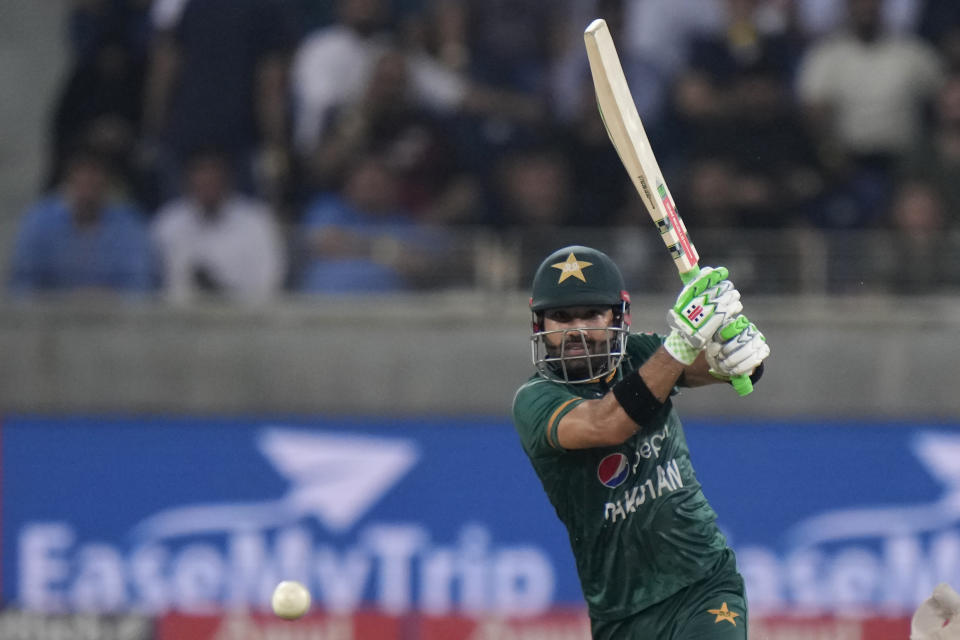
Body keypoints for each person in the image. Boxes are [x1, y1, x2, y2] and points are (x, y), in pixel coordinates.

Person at [511, 245, 770, 639]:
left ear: (618, 316)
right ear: (539, 323)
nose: (577, 330)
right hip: (621, 615)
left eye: (591, 315)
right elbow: (608, 424)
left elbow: (727, 370)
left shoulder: (640, 354)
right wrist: (683, 341)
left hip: (703, 583)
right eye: (561, 317)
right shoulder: (536, 400)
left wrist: (737, 347)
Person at [151, 147, 286, 304]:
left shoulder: (257, 221)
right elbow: (155, 287)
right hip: (177, 321)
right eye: (201, 180)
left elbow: (269, 286)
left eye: (213, 180)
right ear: (187, 181)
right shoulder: (167, 222)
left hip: (244, 321)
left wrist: (223, 295)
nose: (207, 187)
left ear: (227, 180)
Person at [8, 150, 154, 295]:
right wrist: (64, 300)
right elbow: (22, 283)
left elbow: (141, 284)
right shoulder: (39, 222)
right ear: (66, 185)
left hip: (114, 314)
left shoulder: (129, 224)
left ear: (107, 188)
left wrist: (105, 298)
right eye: (81, 185)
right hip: (49, 314)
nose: (87, 194)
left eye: (95, 186)